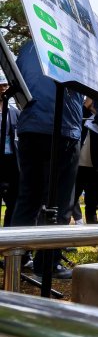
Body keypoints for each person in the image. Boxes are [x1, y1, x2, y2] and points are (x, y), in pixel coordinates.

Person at [11, 40, 84, 279]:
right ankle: (48, 263)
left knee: (28, 196)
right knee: (61, 199)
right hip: (63, 126)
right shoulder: (75, 46)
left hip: (29, 125)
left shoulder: (27, 46)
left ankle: (16, 257)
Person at [0, 71, 20, 227]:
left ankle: (8, 237)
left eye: (5, 85)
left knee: (14, 204)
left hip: (12, 163)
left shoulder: (15, 113)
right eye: (0, 85)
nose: (2, 88)